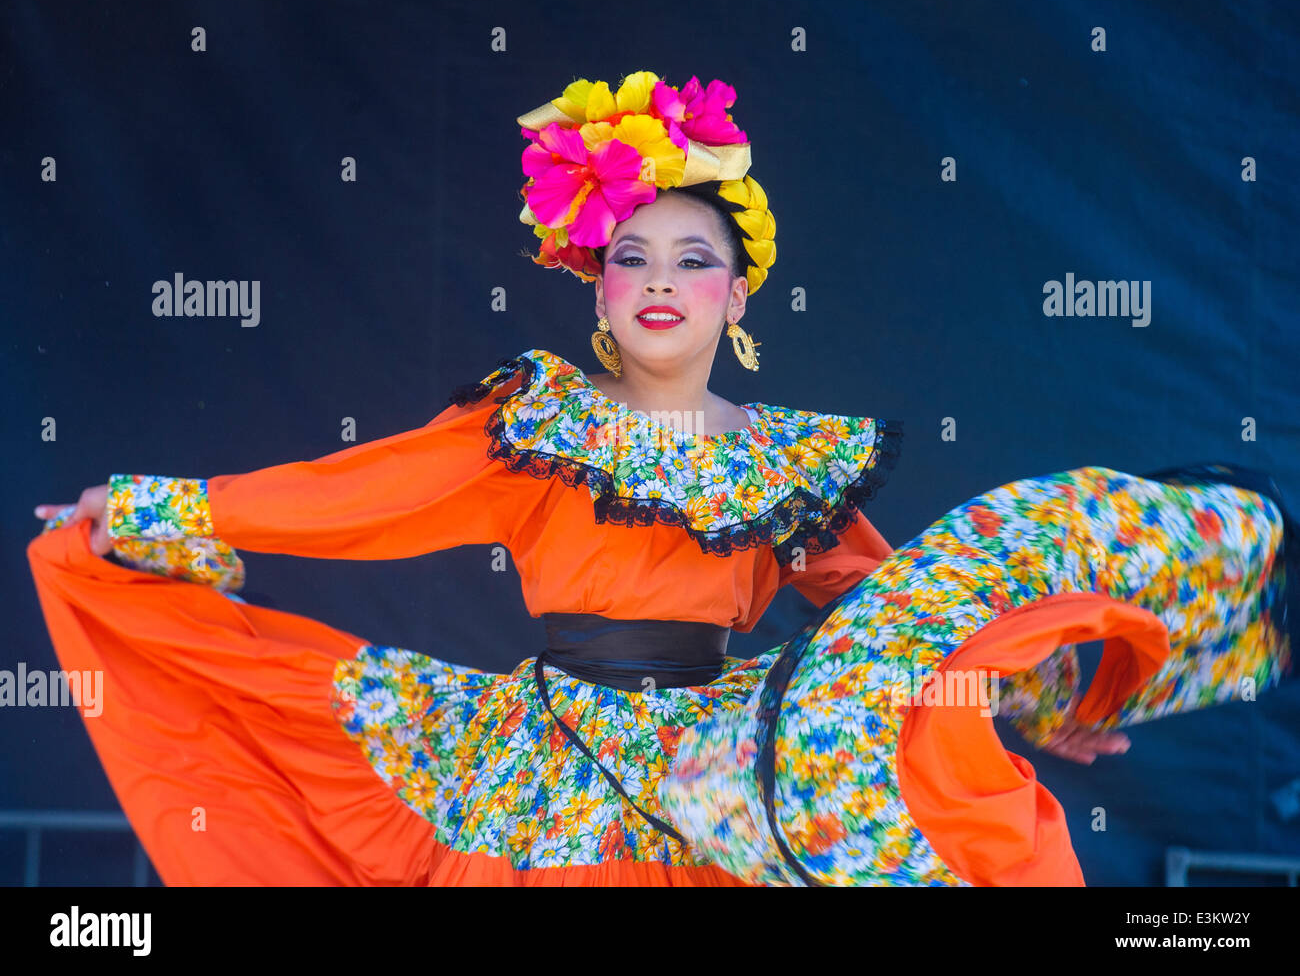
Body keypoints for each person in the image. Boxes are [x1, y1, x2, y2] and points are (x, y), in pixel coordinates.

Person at [28, 70, 1295, 886]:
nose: (658, 282)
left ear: (736, 294)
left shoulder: (784, 459)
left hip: (720, 764)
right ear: (597, 284)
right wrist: (144, 512)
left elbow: (885, 611)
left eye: (692, 260)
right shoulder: (538, 429)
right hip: (549, 760)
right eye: (630, 257)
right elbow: (354, 495)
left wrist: (1025, 700)